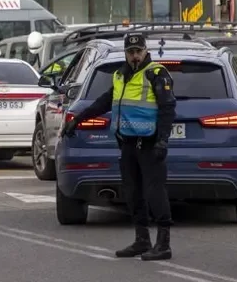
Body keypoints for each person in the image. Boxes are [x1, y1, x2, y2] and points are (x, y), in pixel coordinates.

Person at [62, 32, 177, 261]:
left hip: (150, 142)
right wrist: (78, 118)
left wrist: (163, 140)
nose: (135, 55)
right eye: (131, 52)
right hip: (127, 142)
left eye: (138, 51)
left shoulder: (156, 73)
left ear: (145, 51)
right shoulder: (120, 75)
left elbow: (167, 109)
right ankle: (141, 240)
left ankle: (163, 244)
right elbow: (104, 102)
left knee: (155, 192)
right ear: (125, 53)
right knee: (133, 193)